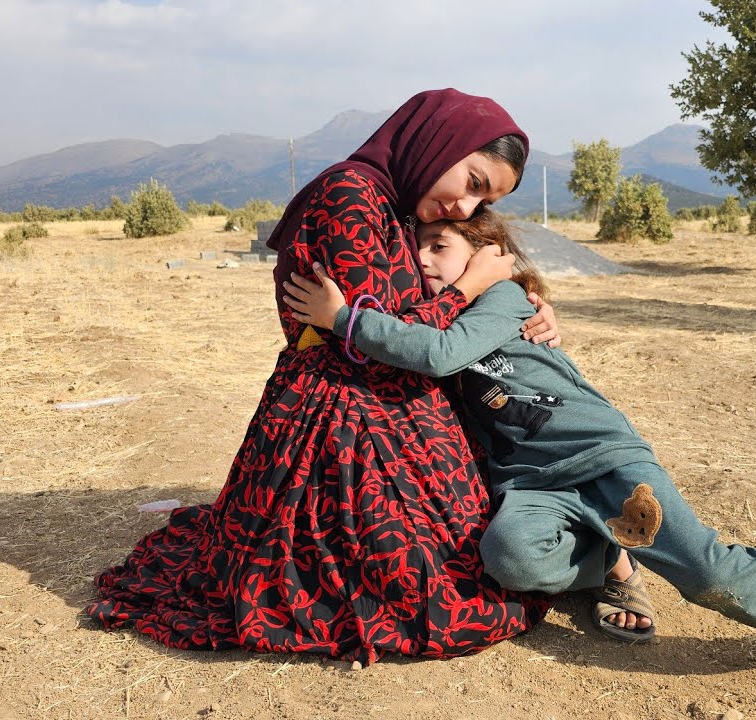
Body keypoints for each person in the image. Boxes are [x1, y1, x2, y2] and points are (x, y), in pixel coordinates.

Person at [283, 211, 756, 719]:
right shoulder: (429, 317)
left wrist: (345, 316)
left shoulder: (499, 298)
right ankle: (614, 565)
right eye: (419, 251)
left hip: (602, 456)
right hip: (529, 483)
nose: (427, 262)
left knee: (707, 571)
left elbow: (438, 353)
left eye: (442, 246)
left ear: (491, 251)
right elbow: (418, 349)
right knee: (509, 556)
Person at [86, 89, 558, 665]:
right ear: (439, 143)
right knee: (416, 585)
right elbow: (371, 343)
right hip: (335, 414)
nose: (465, 206)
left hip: (397, 411)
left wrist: (521, 297)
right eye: (473, 181)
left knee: (472, 550)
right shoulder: (349, 197)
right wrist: (470, 291)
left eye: (484, 199)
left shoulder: (400, 205)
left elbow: (451, 281)